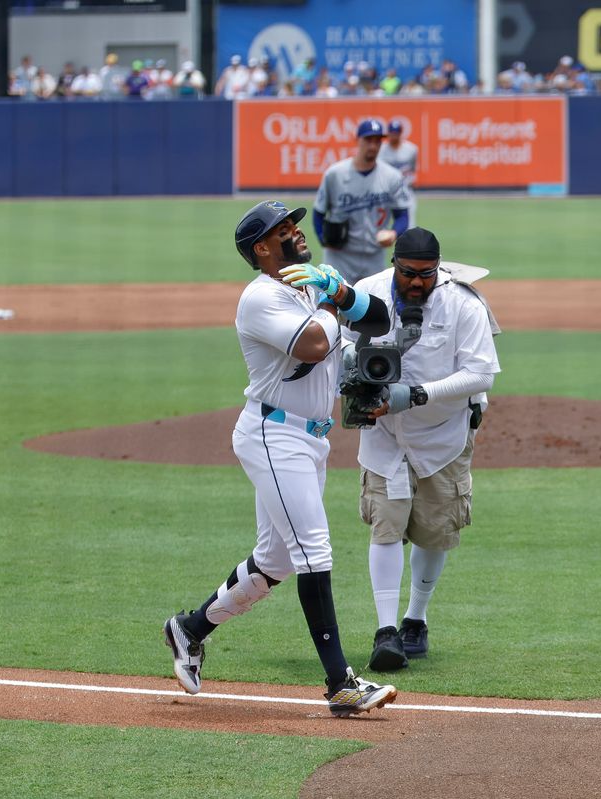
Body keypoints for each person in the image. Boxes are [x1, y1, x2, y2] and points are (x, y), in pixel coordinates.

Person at [162, 200, 399, 717]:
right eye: (282, 230)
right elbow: (314, 344)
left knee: (274, 561)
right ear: (261, 249)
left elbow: (379, 318)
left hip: (309, 440)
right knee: (315, 551)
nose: (296, 232)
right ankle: (341, 684)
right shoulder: (260, 297)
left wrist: (337, 289)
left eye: (294, 224)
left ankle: (189, 629)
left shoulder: (313, 282)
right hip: (273, 434)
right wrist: (334, 302)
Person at [344, 228, 501, 671]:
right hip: (383, 434)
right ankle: (385, 631)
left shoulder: (463, 305)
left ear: (439, 268)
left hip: (444, 436)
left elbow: (481, 374)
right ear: (394, 263)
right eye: (408, 273)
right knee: (386, 526)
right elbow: (336, 343)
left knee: (434, 529)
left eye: (426, 274)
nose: (416, 282)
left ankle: (417, 617)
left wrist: (415, 394)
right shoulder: (366, 295)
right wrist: (355, 374)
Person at [312, 119, 410, 285]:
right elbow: (318, 213)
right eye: (368, 140)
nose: (373, 146)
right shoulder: (335, 174)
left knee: (375, 307)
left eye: (377, 141)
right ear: (358, 140)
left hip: (374, 256)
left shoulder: (392, 176)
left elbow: (402, 216)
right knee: (331, 306)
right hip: (339, 257)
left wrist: (393, 233)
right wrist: (323, 239)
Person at [379, 120, 418, 229]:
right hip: (385, 192)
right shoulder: (381, 150)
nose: (393, 136)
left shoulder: (411, 149)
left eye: (395, 134)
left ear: (400, 134)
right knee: (380, 225)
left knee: (409, 226)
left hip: (404, 191)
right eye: (391, 133)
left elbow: (412, 169)